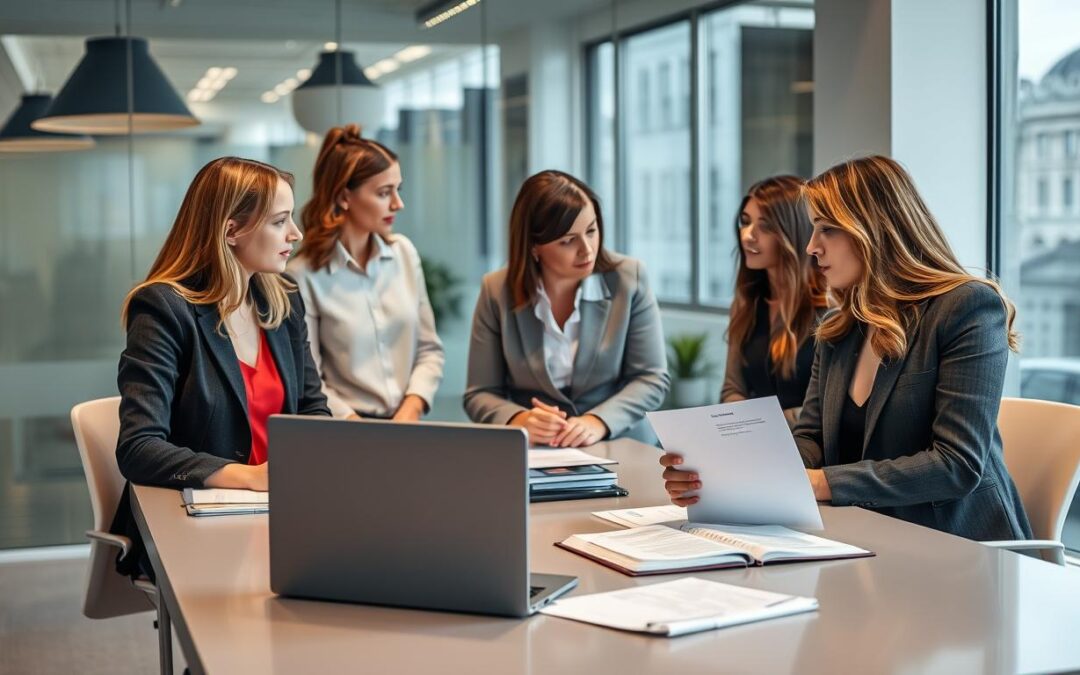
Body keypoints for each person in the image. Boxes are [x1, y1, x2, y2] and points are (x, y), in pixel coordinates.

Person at [661, 155, 1032, 541]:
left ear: (875, 229)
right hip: (867, 535)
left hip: (960, 547)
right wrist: (726, 474)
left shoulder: (966, 307)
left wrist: (820, 484)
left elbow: (956, 464)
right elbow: (810, 440)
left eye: (827, 230)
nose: (811, 247)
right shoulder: (840, 327)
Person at [113, 157, 330, 575]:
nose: (296, 234)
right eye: (279, 221)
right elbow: (138, 448)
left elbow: (313, 409)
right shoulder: (164, 307)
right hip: (201, 523)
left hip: (287, 509)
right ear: (231, 230)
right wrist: (251, 478)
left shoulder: (282, 299)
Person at [464, 170, 670, 447]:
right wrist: (519, 420)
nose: (587, 250)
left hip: (620, 440)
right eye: (568, 240)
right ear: (534, 247)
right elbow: (480, 393)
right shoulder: (496, 290)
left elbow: (651, 379)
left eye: (591, 231)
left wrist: (598, 421)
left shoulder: (628, 278)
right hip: (536, 450)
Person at [288, 125, 444, 420]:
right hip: (345, 431)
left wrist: (410, 410)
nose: (398, 204)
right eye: (384, 193)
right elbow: (309, 381)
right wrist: (359, 428)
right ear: (344, 196)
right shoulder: (303, 275)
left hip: (408, 425)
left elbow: (429, 349)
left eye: (398, 189)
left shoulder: (404, 254)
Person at [721, 175, 828, 427]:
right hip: (756, 447)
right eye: (745, 222)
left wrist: (760, 422)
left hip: (814, 455)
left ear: (793, 233)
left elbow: (830, 407)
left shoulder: (830, 308)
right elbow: (732, 388)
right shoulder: (746, 303)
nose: (748, 235)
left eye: (766, 226)